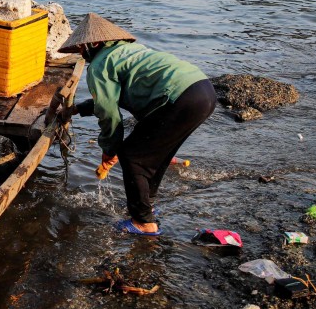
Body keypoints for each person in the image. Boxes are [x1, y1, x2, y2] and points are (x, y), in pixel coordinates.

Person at [59, 13, 216, 236]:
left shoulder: (99, 65)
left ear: (94, 43)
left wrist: (110, 149)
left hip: (179, 98)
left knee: (133, 156)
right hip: (202, 90)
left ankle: (143, 222)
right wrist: (76, 109)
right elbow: (110, 98)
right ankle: (146, 208)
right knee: (157, 155)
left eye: (82, 49)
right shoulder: (126, 51)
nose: (82, 55)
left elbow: (108, 112)